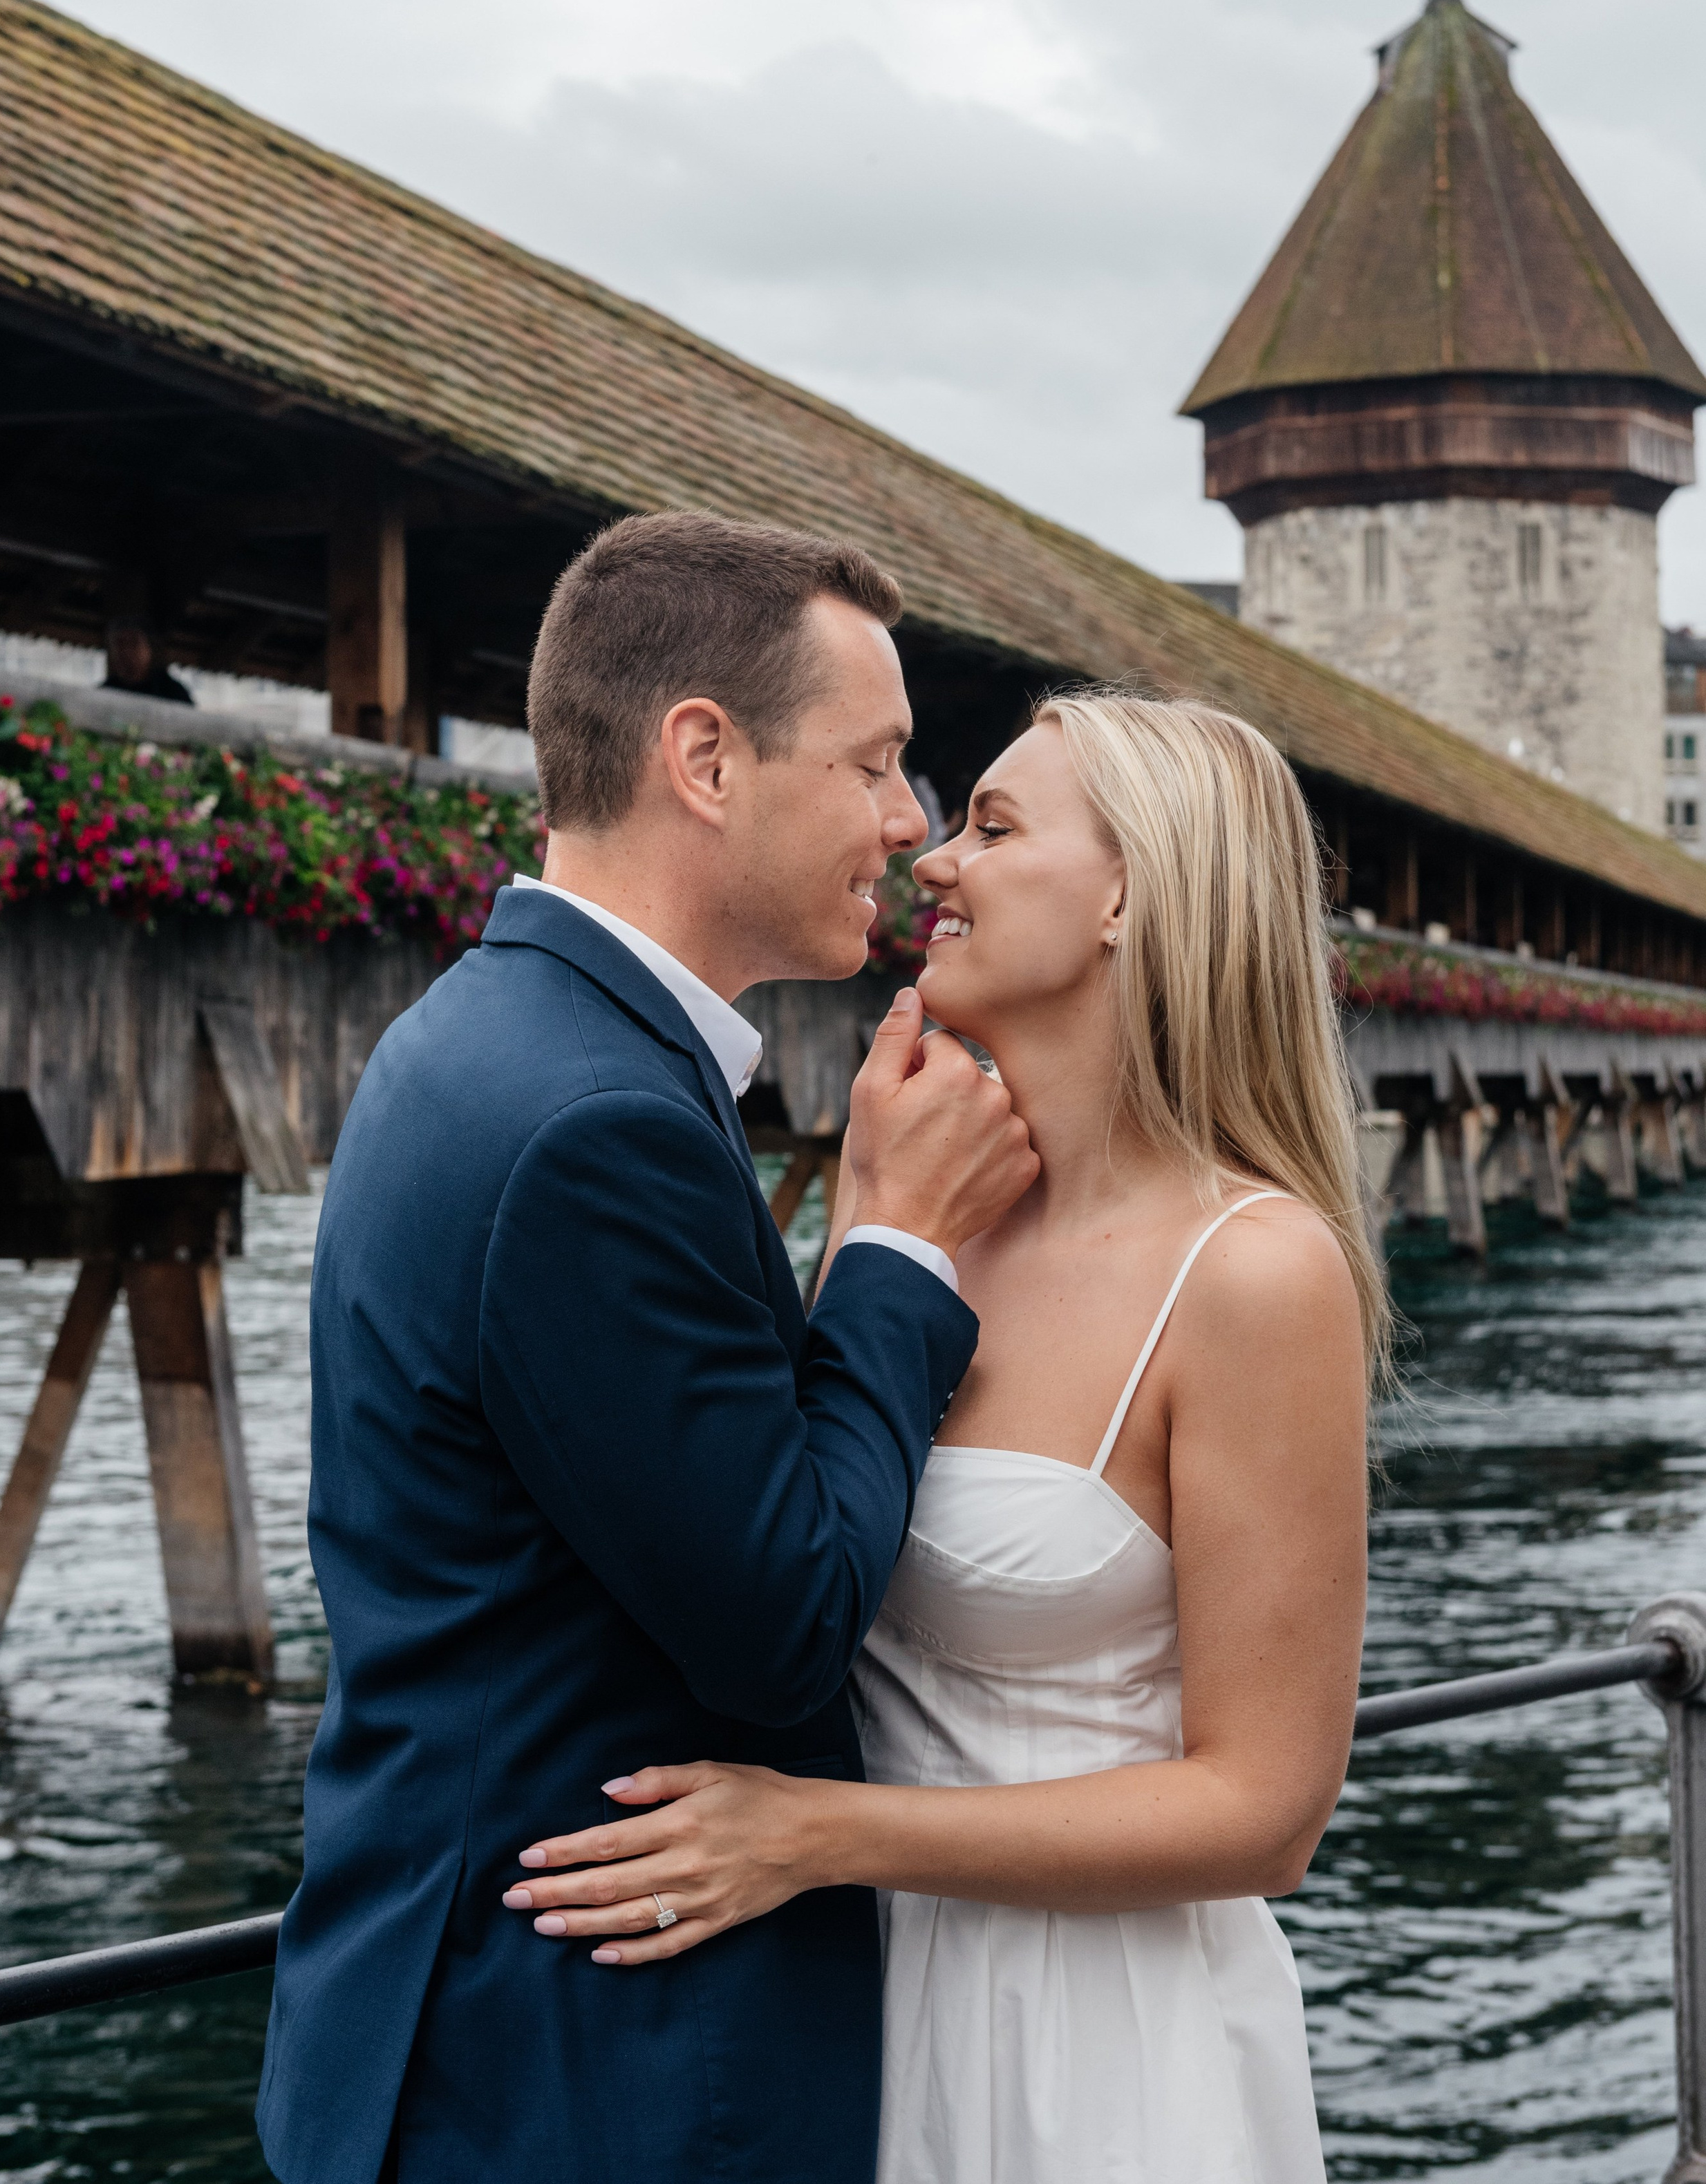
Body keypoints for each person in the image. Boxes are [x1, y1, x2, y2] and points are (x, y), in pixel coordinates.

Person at [503, 690, 1385, 2184]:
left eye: (990, 826)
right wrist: (869, 1228)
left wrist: (814, 1836)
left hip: (1096, 2050)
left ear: (1126, 896)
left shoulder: (1250, 1270)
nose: (927, 855)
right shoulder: (923, 1222)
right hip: (842, 2016)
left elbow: (1263, 1814)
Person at [256, 512, 1037, 2184]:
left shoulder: (483, 1031)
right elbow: (783, 1618)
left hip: (451, 2018)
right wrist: (895, 1247)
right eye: (875, 763)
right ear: (703, 755)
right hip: (573, 2080)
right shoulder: (597, 1117)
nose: (907, 827)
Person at [101, 615, 194, 703]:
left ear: (149, 648)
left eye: (134, 643)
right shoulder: (104, 693)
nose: (126, 651)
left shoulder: (174, 694)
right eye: (120, 644)